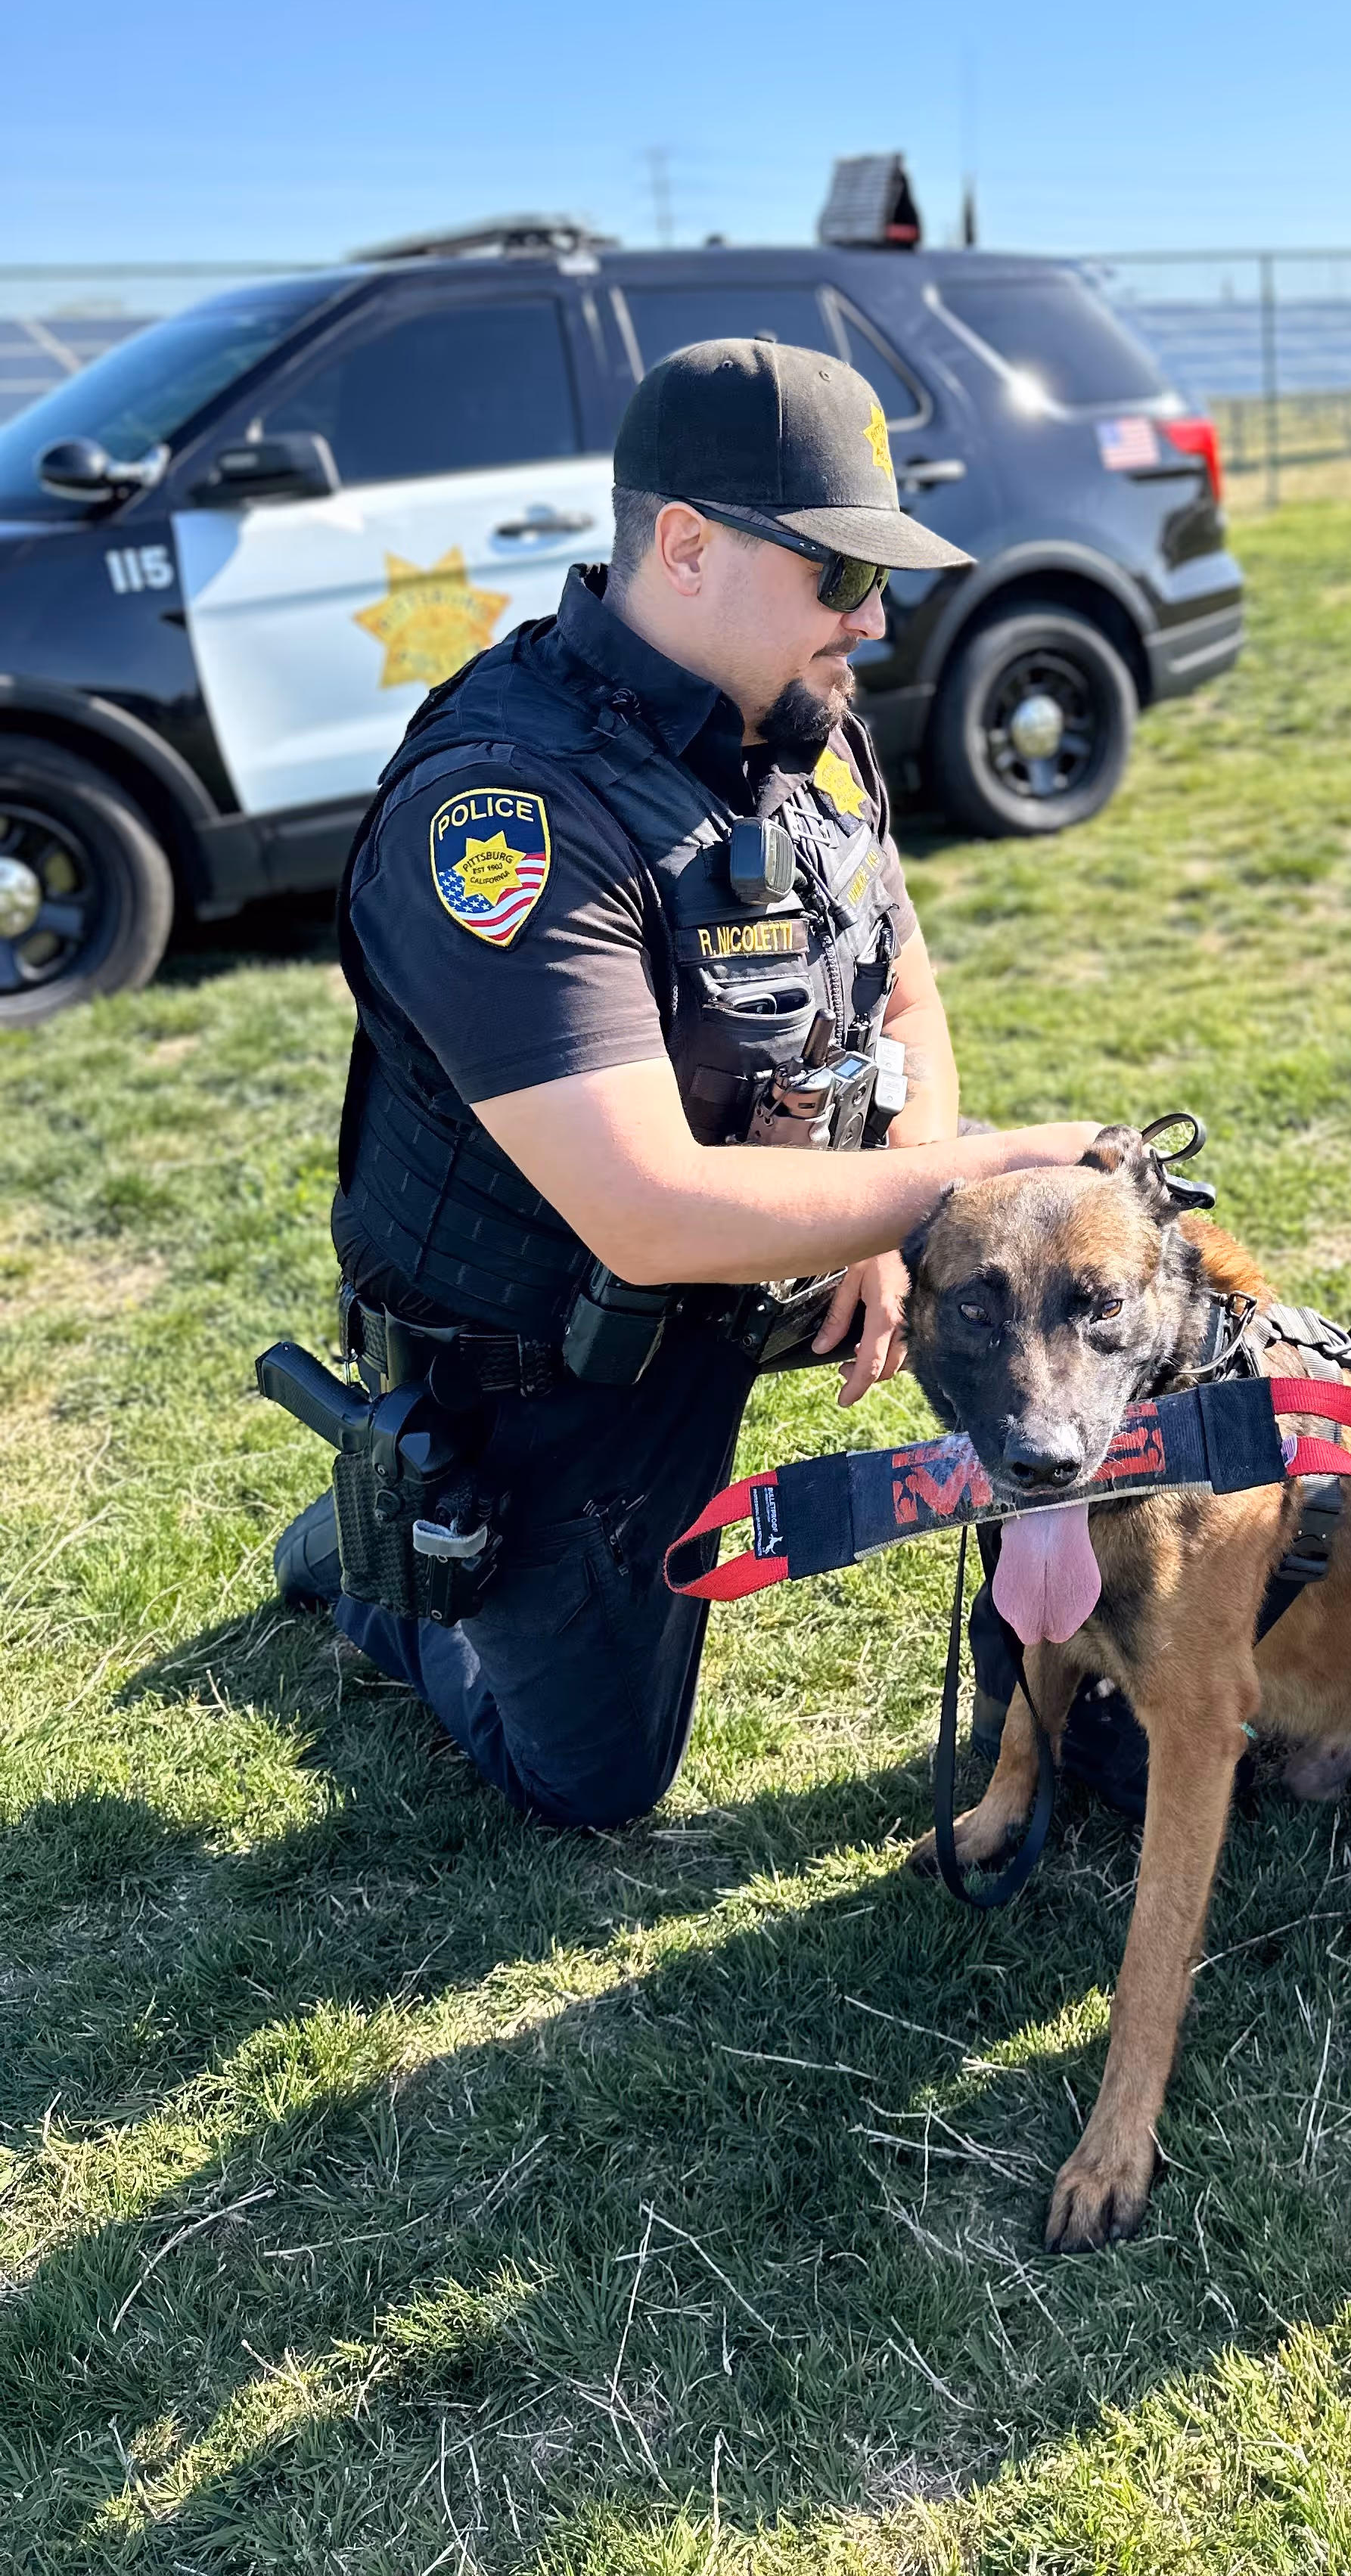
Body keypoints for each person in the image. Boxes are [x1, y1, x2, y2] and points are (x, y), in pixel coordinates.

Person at [271, 335, 1101, 1826]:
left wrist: (884, 1205)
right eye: (842, 573)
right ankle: (383, 1565)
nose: (879, 613)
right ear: (687, 546)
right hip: (562, 1349)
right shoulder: (505, 812)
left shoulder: (806, 724)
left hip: (768, 1250)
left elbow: (904, 978)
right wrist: (966, 1177)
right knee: (592, 1782)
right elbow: (647, 1212)